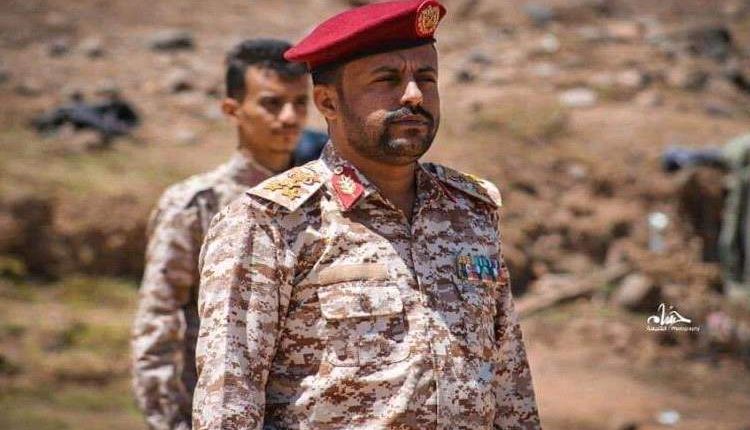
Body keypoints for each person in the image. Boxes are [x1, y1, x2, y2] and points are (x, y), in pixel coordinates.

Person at [193, 0, 541, 428]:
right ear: (328, 102)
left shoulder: (470, 210)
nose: (413, 96)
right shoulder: (271, 222)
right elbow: (229, 398)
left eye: (426, 78)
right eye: (387, 79)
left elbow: (510, 383)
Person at [131, 38, 319, 430]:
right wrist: (167, 419)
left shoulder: (322, 201)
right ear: (233, 110)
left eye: (300, 103)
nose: (289, 117)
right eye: (272, 103)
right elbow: (159, 322)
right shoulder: (196, 204)